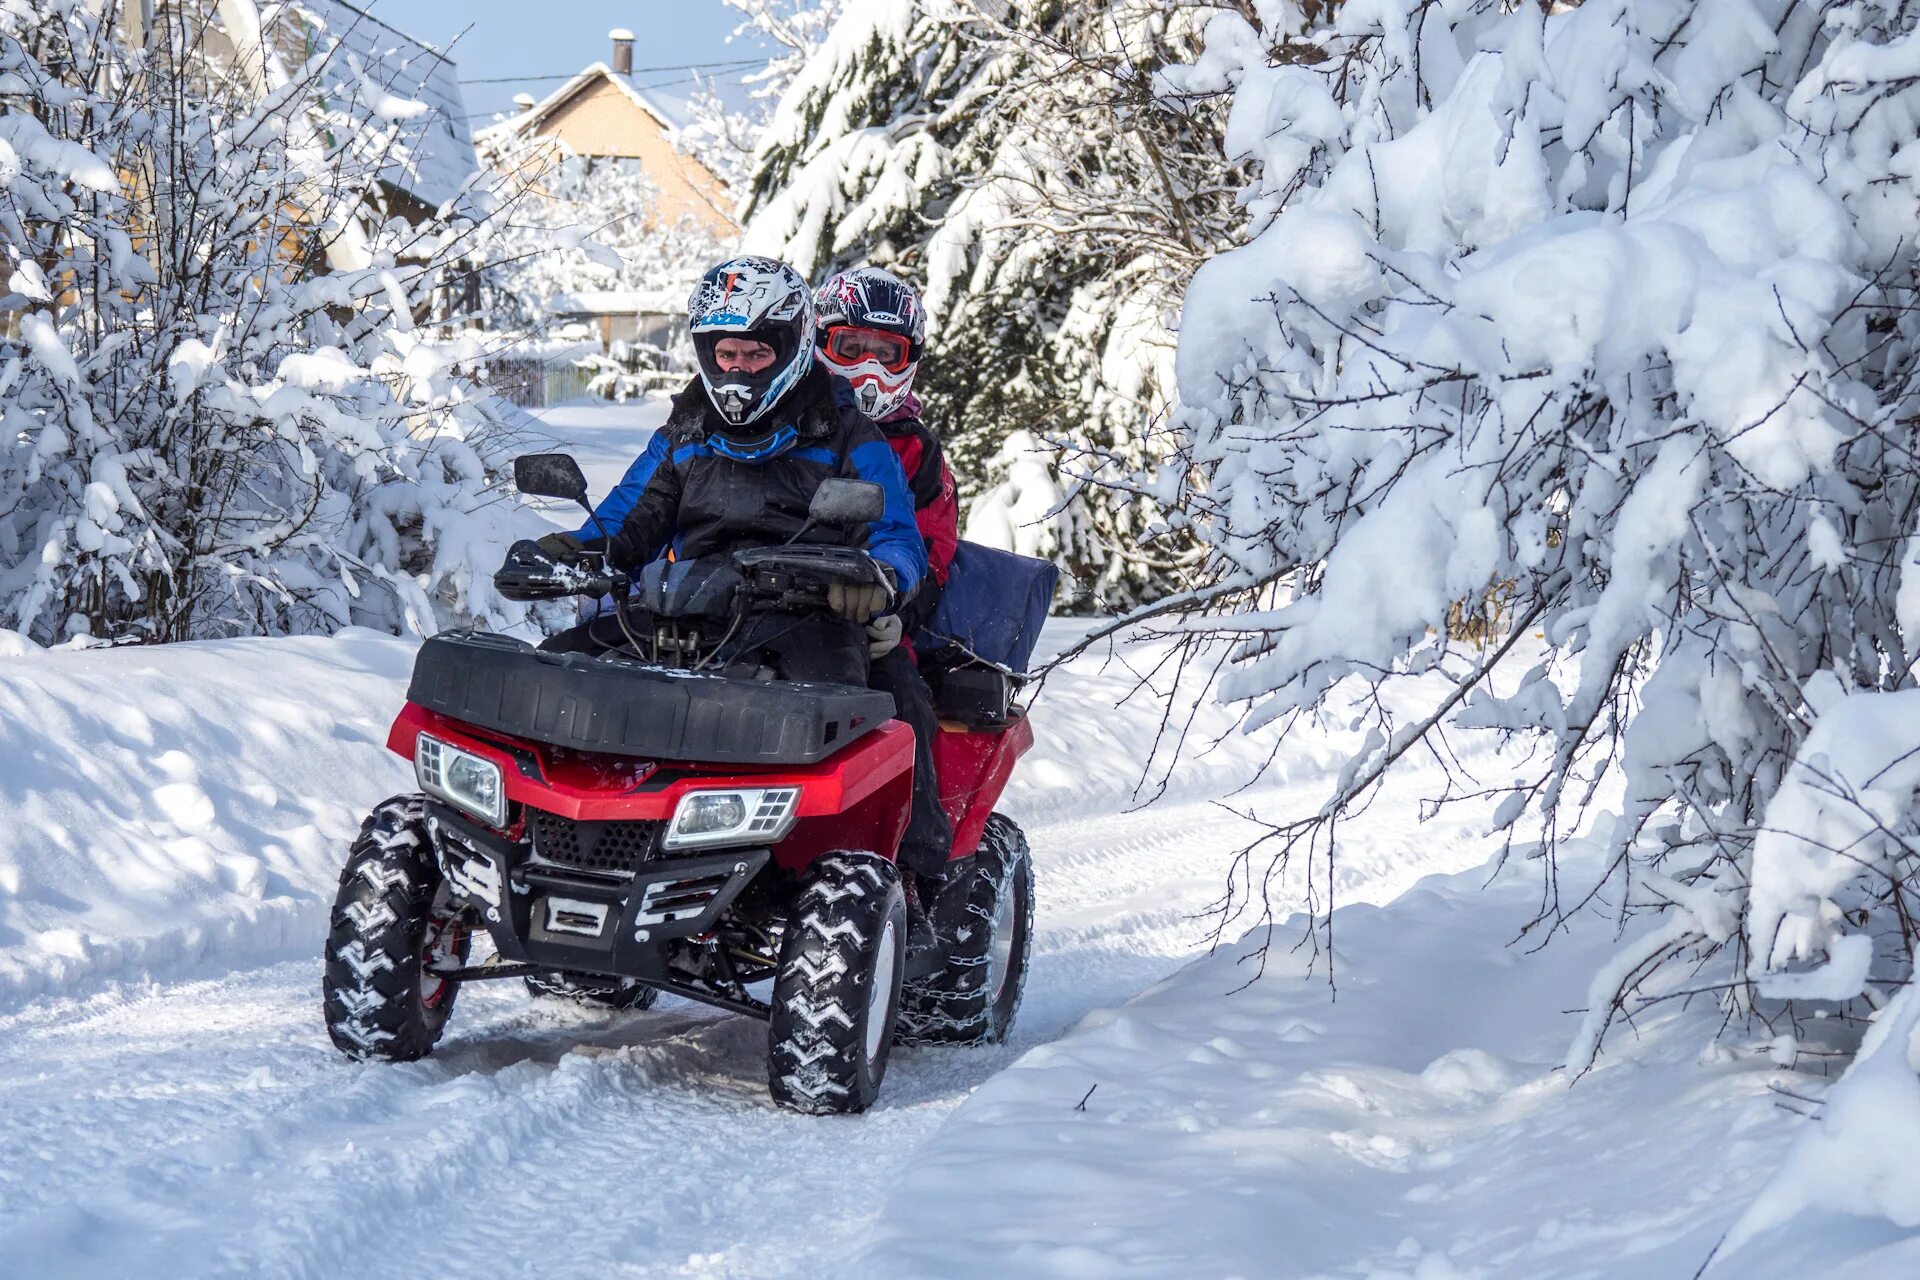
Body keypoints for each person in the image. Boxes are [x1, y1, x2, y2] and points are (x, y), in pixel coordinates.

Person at [534, 258, 953, 883]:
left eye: (755, 354)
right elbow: (630, 517)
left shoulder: (849, 434)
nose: (737, 369)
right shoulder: (688, 426)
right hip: (688, 607)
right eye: (724, 352)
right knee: (558, 670)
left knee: (891, 710)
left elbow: (898, 535)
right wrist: (568, 550)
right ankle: (564, 844)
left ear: (792, 347)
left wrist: (875, 580)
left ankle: (912, 880)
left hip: (809, 614)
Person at [812, 268, 959, 901]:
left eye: (886, 354)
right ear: (820, 344)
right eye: (852, 349)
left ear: (909, 361)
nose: (867, 370)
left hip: (872, 622)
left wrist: (898, 607)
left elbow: (933, 551)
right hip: (758, 607)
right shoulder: (785, 422)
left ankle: (921, 872)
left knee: (905, 699)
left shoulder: (919, 455)